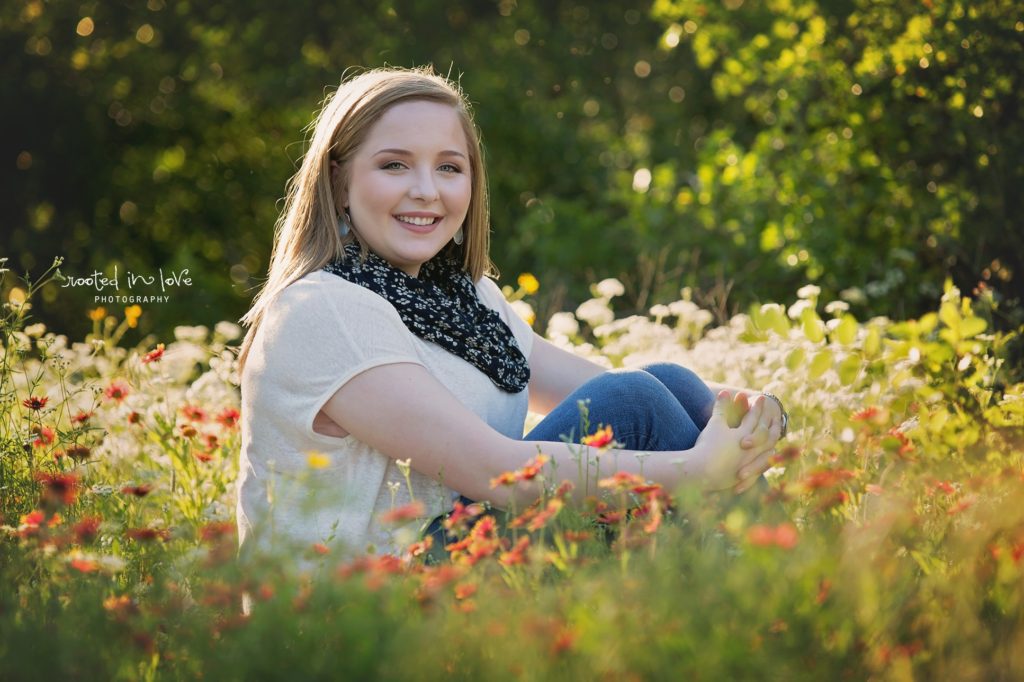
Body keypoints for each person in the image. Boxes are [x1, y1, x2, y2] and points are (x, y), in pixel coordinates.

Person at [235, 66, 785, 562]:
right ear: (339, 180)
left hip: (461, 553)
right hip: (368, 608)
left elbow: (596, 385)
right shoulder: (322, 309)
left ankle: (766, 584)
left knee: (673, 384)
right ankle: (776, 589)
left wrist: (747, 410)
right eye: (394, 165)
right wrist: (696, 473)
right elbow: (502, 476)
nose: (426, 191)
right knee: (638, 400)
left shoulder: (464, 298)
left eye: (449, 168)